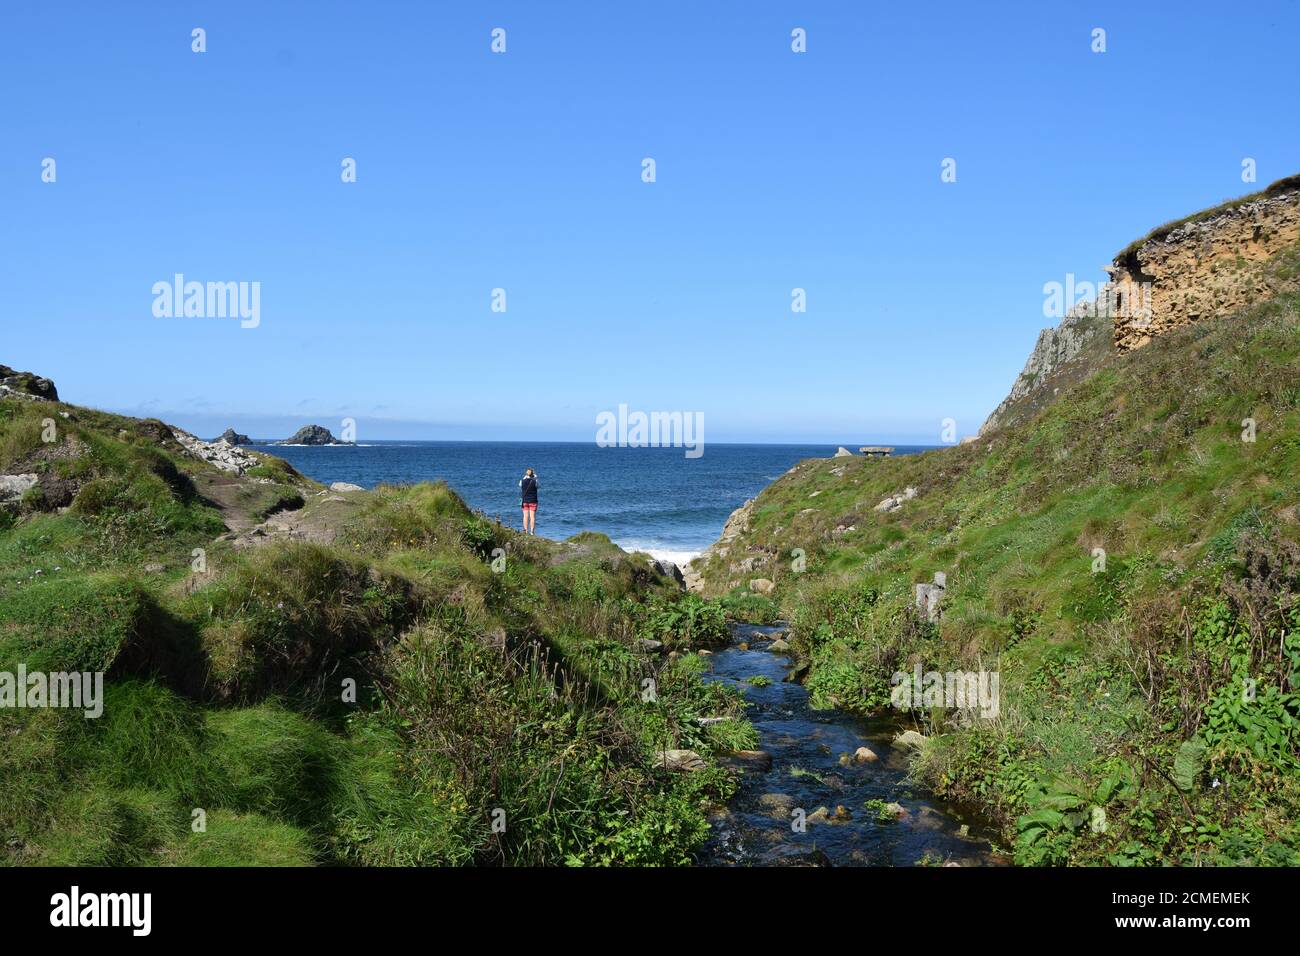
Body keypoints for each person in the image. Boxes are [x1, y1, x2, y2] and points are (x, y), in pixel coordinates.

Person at [518, 468, 539, 534]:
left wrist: (525, 477)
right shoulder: (535, 481)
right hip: (533, 500)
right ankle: (532, 531)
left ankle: (525, 531)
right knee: (532, 517)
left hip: (524, 501)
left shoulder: (522, 481)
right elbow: (538, 486)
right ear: (533, 474)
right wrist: (536, 478)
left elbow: (520, 485)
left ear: (526, 474)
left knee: (525, 516)